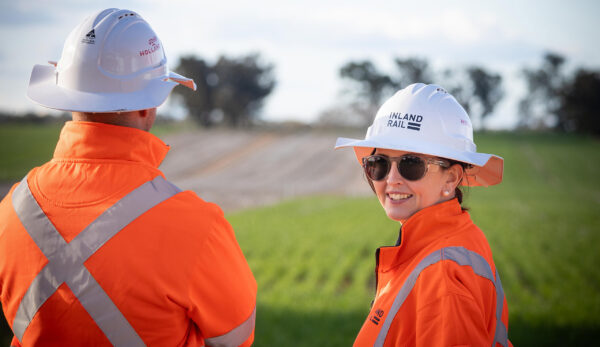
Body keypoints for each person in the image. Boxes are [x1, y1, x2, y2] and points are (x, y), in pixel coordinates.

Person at [0, 8, 256, 347]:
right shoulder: (199, 226)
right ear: (146, 104)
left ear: (66, 94)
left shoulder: (10, 212)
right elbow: (236, 338)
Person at [335, 83, 512, 347]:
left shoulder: (441, 273)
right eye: (379, 163)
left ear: (451, 178)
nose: (392, 180)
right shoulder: (452, 241)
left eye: (411, 164)